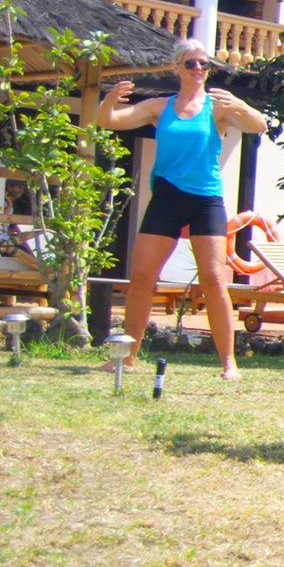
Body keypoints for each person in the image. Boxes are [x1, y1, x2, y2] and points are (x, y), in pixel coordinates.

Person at [96, 38, 267, 381]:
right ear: (178, 68)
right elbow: (110, 121)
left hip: (205, 200)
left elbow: (258, 125)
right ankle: (127, 358)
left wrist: (240, 105)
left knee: (214, 279)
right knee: (142, 276)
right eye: (191, 64)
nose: (199, 70)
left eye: (204, 64)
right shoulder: (160, 106)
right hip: (167, 197)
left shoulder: (217, 106)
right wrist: (108, 101)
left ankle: (229, 362)